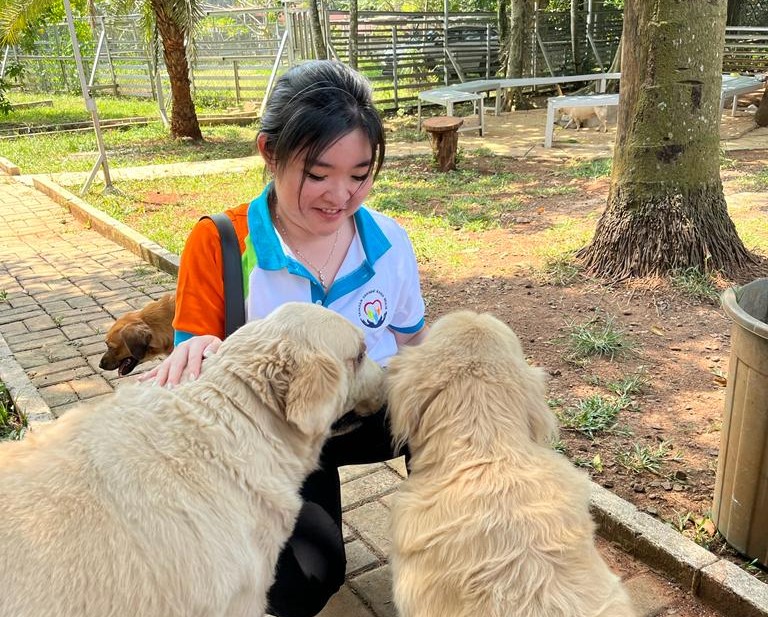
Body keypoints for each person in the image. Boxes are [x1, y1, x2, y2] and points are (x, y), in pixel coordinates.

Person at [139, 60, 426, 617]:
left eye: (360, 174)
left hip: (368, 408)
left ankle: (450, 565)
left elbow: (415, 349)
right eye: (318, 174)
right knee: (304, 579)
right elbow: (191, 356)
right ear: (269, 151)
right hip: (282, 433)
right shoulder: (221, 244)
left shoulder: (389, 242)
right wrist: (193, 351)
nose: (340, 195)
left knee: (455, 412)